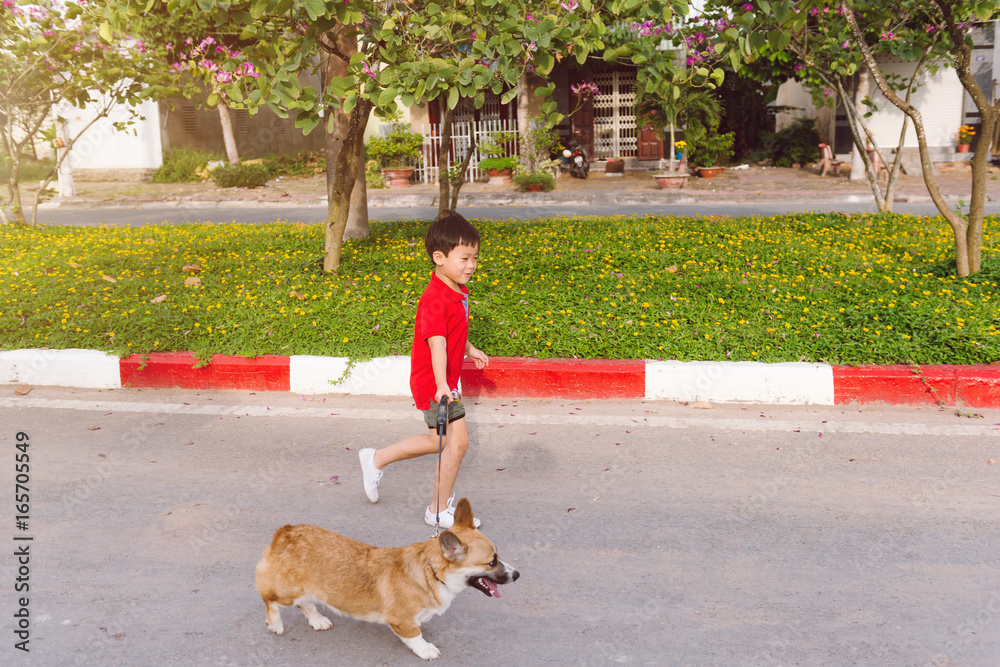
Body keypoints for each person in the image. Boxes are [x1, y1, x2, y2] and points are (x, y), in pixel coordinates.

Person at [358, 210, 489, 528]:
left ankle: (382, 464)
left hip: (446, 380)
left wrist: (470, 349)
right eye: (464, 258)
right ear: (439, 257)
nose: (471, 265)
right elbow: (437, 344)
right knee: (450, 443)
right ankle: (434, 506)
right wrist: (444, 383)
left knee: (450, 443)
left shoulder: (456, 291)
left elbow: (455, 332)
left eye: (474, 257)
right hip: (435, 382)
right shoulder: (434, 299)